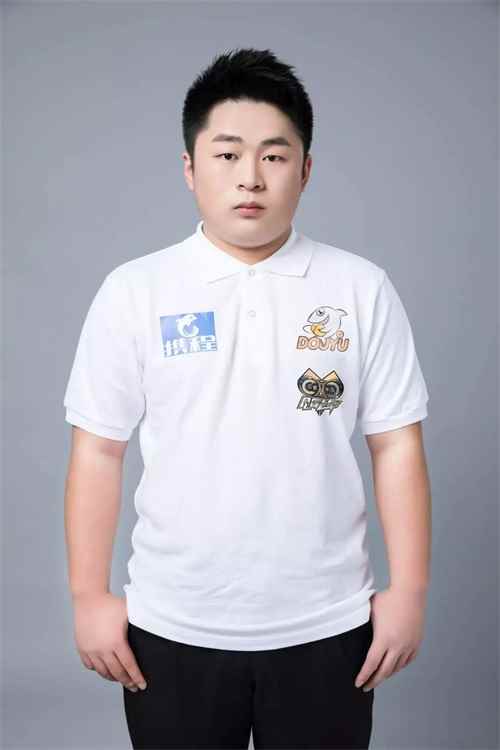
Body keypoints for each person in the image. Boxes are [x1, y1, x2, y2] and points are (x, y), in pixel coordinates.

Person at [63, 47, 432, 750]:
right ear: (190, 168)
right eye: (228, 155)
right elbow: (98, 451)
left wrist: (408, 593)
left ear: (306, 169)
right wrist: (88, 597)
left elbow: (396, 445)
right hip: (172, 624)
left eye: (274, 156)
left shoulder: (360, 288)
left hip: (330, 623)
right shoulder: (135, 291)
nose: (251, 178)